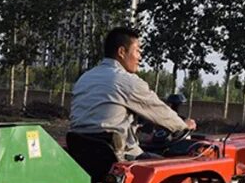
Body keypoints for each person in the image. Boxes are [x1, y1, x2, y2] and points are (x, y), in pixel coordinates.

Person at [69, 27, 196, 162]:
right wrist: (182, 125)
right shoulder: (127, 81)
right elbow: (159, 111)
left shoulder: (85, 78)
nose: (140, 57)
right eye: (138, 51)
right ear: (122, 52)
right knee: (173, 168)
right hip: (117, 158)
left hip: (81, 155)